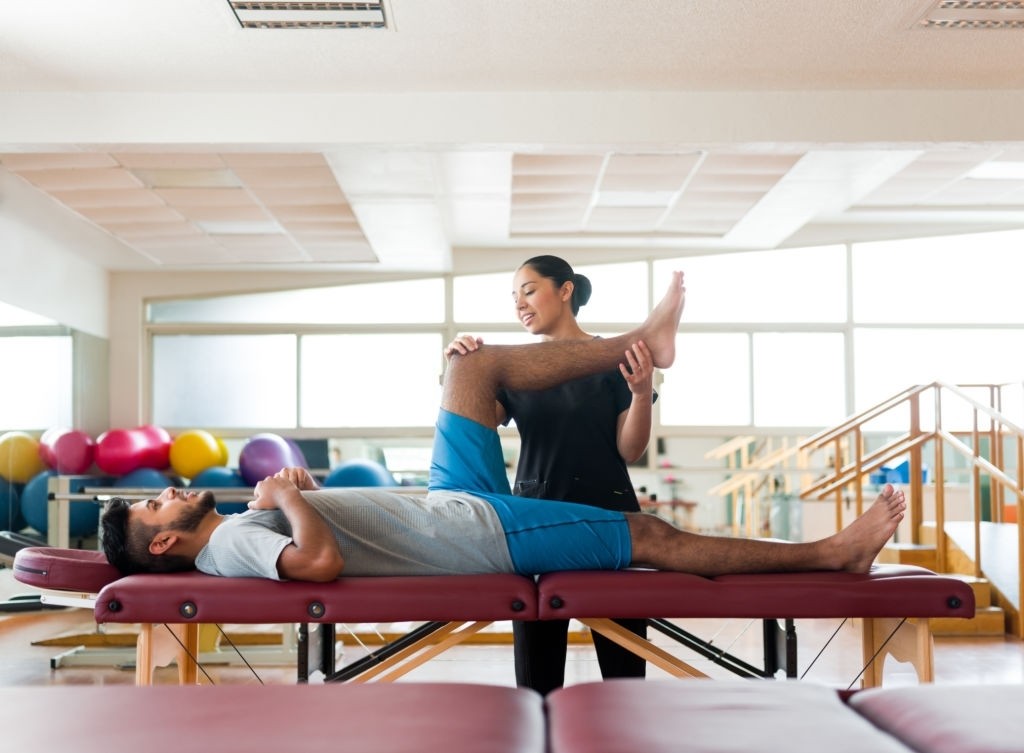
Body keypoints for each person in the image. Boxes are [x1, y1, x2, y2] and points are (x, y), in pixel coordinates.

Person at [100, 272, 906, 593]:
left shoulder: (232, 533)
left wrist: (294, 496)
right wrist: (288, 499)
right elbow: (319, 563)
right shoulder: (227, 544)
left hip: (444, 501)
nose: (166, 492)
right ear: (166, 544)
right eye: (153, 508)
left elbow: (315, 540)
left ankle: (644, 341)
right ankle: (831, 552)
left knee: (469, 366)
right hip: (469, 532)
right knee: (650, 532)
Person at [445, 255, 653, 693]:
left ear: (565, 290)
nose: (519, 303)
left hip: (610, 514)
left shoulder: (615, 359)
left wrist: (639, 394)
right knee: (538, 678)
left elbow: (630, 449)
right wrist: (461, 372)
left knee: (625, 678)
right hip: (535, 520)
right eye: (513, 296)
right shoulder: (514, 368)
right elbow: (474, 424)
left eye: (529, 289)